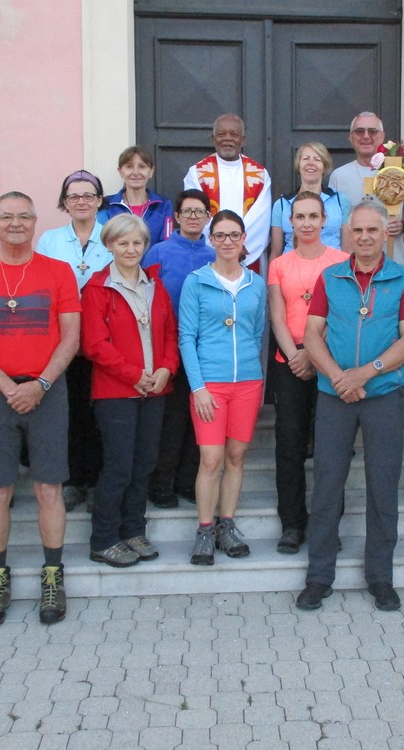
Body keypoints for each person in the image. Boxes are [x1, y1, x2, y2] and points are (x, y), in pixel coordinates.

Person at [0, 191, 81, 627]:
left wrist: (40, 384)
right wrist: (10, 388)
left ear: (34, 221)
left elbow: (71, 337)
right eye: (6, 217)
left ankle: (52, 576)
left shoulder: (58, 271)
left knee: (49, 489)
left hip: (49, 391)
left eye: (23, 216)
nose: (15, 224)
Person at [294, 203, 404, 612]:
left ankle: (380, 576)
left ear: (385, 233)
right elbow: (312, 335)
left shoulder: (403, 279)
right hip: (335, 396)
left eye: (372, 230)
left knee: (383, 485)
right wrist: (338, 378)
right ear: (349, 234)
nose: (365, 237)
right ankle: (319, 576)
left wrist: (363, 374)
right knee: (327, 483)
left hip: (383, 395)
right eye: (358, 230)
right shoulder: (330, 277)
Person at [81, 215, 179, 566]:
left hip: (154, 391)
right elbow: (95, 344)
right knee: (119, 466)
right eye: (123, 243)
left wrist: (166, 368)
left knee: (144, 463)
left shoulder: (155, 284)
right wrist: (134, 375)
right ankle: (104, 539)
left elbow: (170, 333)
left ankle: (134, 529)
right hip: (115, 392)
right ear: (109, 245)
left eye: (137, 242)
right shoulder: (97, 288)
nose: (130, 249)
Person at [179, 210, 267, 565]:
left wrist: (252, 372)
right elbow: (186, 338)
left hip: (247, 382)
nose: (227, 241)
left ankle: (227, 524)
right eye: (220, 235)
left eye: (234, 235)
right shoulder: (196, 281)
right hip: (210, 384)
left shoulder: (256, 283)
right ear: (211, 239)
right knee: (211, 459)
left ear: (244, 239)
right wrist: (198, 387)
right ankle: (204, 529)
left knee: (236, 457)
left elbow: (257, 334)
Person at [268, 192, 349, 554]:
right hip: (289, 362)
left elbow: (341, 313)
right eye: (299, 217)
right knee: (289, 445)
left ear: (324, 220)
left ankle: (327, 524)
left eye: (313, 216)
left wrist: (314, 356)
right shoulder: (279, 264)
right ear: (290, 223)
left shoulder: (341, 261)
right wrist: (295, 356)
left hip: (330, 361)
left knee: (331, 447)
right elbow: (277, 314)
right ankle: (292, 523)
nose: (306, 223)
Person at [37, 170, 111, 510]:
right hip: (62, 342)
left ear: (99, 200)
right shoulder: (50, 241)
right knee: (67, 413)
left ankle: (98, 481)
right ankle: (72, 481)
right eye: (74, 196)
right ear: (64, 203)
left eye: (88, 195)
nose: (81, 201)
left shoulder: (113, 236)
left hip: (104, 340)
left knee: (102, 414)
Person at [141, 189, 216, 508]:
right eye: (187, 211)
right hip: (167, 348)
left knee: (199, 418)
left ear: (208, 217)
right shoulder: (158, 252)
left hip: (205, 350)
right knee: (171, 420)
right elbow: (144, 296)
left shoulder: (214, 256)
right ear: (177, 217)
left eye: (200, 212)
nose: (193, 217)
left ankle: (188, 481)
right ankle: (161, 483)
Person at [328, 112, 404, 264]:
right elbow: (331, 223)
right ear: (351, 138)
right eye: (359, 131)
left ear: (382, 137)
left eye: (372, 131)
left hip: (392, 260)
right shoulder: (338, 176)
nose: (366, 136)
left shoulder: (400, 172)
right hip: (352, 264)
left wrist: (403, 225)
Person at [184, 114, 271, 268]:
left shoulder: (259, 174)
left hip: (247, 256)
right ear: (213, 139)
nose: (227, 139)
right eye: (221, 134)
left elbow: (260, 219)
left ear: (243, 140)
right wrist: (219, 246)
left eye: (234, 134)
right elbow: (196, 215)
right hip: (209, 256)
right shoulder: (197, 173)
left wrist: (238, 246)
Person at [269, 142, 350, 260]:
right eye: (306, 159)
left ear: (324, 166)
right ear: (299, 165)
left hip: (333, 267)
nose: (311, 163)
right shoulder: (281, 204)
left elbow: (347, 249)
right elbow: (275, 252)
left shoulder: (340, 201)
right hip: (293, 267)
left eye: (317, 159)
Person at [97, 146, 174, 248]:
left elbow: (166, 245)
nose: (136, 173)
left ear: (151, 171)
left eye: (142, 167)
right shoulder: (107, 204)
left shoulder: (163, 205)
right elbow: (103, 243)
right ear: (120, 172)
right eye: (129, 166)